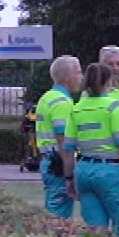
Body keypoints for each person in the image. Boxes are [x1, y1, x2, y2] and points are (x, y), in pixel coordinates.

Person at [68, 60, 119, 237]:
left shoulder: (77, 109)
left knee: (95, 229)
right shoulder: (113, 107)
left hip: (84, 170)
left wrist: (69, 178)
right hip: (110, 171)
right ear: (108, 82)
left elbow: (68, 148)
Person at [34, 55, 82, 218]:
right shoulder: (62, 102)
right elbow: (64, 143)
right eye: (78, 73)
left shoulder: (46, 98)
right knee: (59, 218)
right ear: (68, 77)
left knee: (52, 211)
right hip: (59, 165)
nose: (81, 78)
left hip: (48, 161)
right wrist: (70, 174)